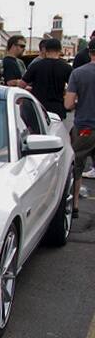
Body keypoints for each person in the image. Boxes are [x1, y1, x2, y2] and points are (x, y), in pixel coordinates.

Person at [64, 39, 95, 217]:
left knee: (77, 166)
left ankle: (74, 204)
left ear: (89, 52)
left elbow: (68, 104)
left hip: (85, 126)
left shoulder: (78, 73)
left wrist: (78, 101)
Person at [22, 38, 72, 120]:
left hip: (38, 108)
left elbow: (22, 84)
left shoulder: (36, 65)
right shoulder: (66, 67)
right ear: (60, 50)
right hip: (57, 109)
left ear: (45, 50)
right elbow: (73, 88)